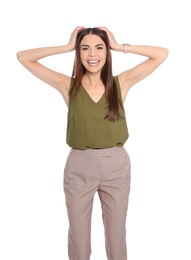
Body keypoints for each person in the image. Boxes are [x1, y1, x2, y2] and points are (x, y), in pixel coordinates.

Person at [17, 26, 168, 260]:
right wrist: (67, 46)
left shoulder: (121, 83)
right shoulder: (68, 86)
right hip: (80, 167)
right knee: (79, 242)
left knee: (116, 239)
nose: (92, 54)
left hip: (116, 166)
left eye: (99, 48)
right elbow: (23, 57)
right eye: (84, 48)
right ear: (78, 54)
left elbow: (162, 53)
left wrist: (119, 46)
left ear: (107, 52)